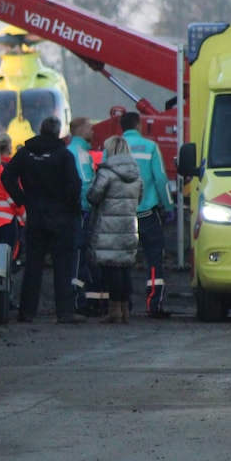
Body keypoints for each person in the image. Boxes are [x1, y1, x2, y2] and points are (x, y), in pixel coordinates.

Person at [1, 116, 85, 324]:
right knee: (62, 265)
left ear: (40, 129)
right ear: (57, 133)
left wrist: (22, 199)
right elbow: (74, 185)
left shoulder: (26, 153)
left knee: (33, 266)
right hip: (61, 217)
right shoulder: (63, 155)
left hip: (35, 216)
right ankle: (64, 312)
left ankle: (27, 312)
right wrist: (70, 207)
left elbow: (6, 176)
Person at [118, 111, 175, 318]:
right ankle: (153, 304)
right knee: (153, 259)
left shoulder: (114, 148)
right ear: (139, 126)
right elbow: (160, 180)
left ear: (122, 127)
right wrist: (169, 207)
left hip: (121, 215)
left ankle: (123, 304)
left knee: (121, 259)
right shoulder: (150, 147)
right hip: (147, 214)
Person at [86, 136, 142, 324]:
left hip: (108, 227)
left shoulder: (106, 172)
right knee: (124, 268)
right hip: (128, 225)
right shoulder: (136, 173)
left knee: (111, 269)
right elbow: (139, 198)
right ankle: (125, 310)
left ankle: (114, 310)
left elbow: (93, 196)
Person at [67, 117, 104, 314]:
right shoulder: (80, 154)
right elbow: (85, 185)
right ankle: (75, 299)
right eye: (89, 127)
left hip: (75, 211)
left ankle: (77, 298)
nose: (93, 130)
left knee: (77, 256)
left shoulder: (73, 151)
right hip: (81, 212)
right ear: (81, 130)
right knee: (79, 255)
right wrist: (91, 204)